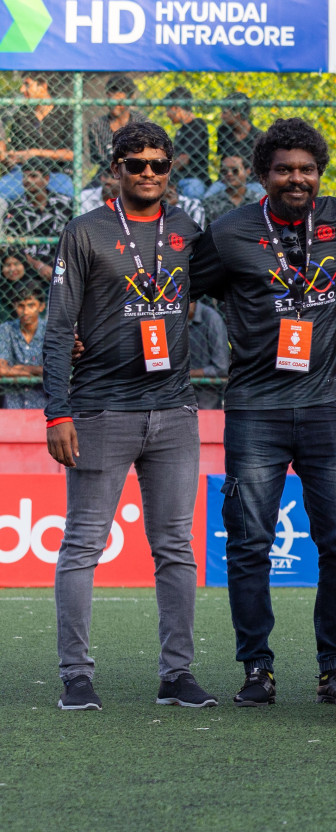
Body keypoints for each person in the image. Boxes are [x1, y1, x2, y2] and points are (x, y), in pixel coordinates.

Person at [187, 118, 336, 708]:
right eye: (284, 169)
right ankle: (256, 669)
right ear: (264, 176)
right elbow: (175, 290)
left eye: (306, 169)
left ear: (319, 173)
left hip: (329, 407)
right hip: (254, 411)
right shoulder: (230, 231)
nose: (297, 178)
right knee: (248, 544)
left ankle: (334, 666)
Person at [44, 121, 214, 711]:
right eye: (135, 164)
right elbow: (59, 326)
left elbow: (247, 285)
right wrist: (56, 412)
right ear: (114, 169)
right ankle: (76, 676)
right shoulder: (84, 231)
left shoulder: (190, 231)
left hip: (174, 411)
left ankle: (177, 674)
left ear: (171, 170)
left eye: (158, 165)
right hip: (99, 410)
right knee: (83, 545)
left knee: (175, 548)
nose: (147, 174)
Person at [0, 72, 75, 196]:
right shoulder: (22, 114)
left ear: (43, 86)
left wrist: (34, 153)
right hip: (23, 172)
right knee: (3, 191)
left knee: (68, 192)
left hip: (56, 172)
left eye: (27, 84)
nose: (22, 89)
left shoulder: (65, 113)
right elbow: (14, 151)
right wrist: (11, 157)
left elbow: (72, 154)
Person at [6, 156, 76, 281]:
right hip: (28, 268)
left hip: (62, 263)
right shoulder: (15, 209)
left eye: (33, 176)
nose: (27, 180)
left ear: (46, 179)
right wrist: (38, 266)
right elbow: (12, 246)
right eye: (25, 176)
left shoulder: (64, 203)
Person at [85, 75, 148, 176]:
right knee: (85, 192)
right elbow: (98, 158)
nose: (114, 106)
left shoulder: (142, 123)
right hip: (107, 173)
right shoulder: (97, 125)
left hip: (137, 173)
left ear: (130, 99)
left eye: (119, 102)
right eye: (111, 101)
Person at [0, 282, 47, 408]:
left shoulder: (49, 331)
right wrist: (36, 370)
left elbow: (52, 370)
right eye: (21, 306)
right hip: (13, 404)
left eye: (31, 305)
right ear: (14, 306)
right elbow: (1, 369)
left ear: (41, 306)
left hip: (43, 403)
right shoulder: (6, 329)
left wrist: (16, 369)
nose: (25, 311)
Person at [165, 87, 211, 198]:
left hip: (194, 179)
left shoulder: (197, 125)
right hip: (180, 180)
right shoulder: (181, 130)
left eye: (168, 109)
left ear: (176, 108)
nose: (167, 114)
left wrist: (164, 169)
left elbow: (184, 159)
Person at [185, 299, 230, 411]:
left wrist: (190, 374)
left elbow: (222, 367)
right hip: (178, 391)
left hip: (207, 394)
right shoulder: (174, 319)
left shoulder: (211, 318)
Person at [216, 92, 263, 172]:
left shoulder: (259, 137)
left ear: (237, 113)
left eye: (224, 112)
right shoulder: (223, 131)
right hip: (227, 178)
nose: (222, 116)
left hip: (251, 181)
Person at [202, 155, 255, 224]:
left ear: (247, 172)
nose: (229, 174)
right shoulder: (210, 203)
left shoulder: (259, 201)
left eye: (235, 170)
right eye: (224, 171)